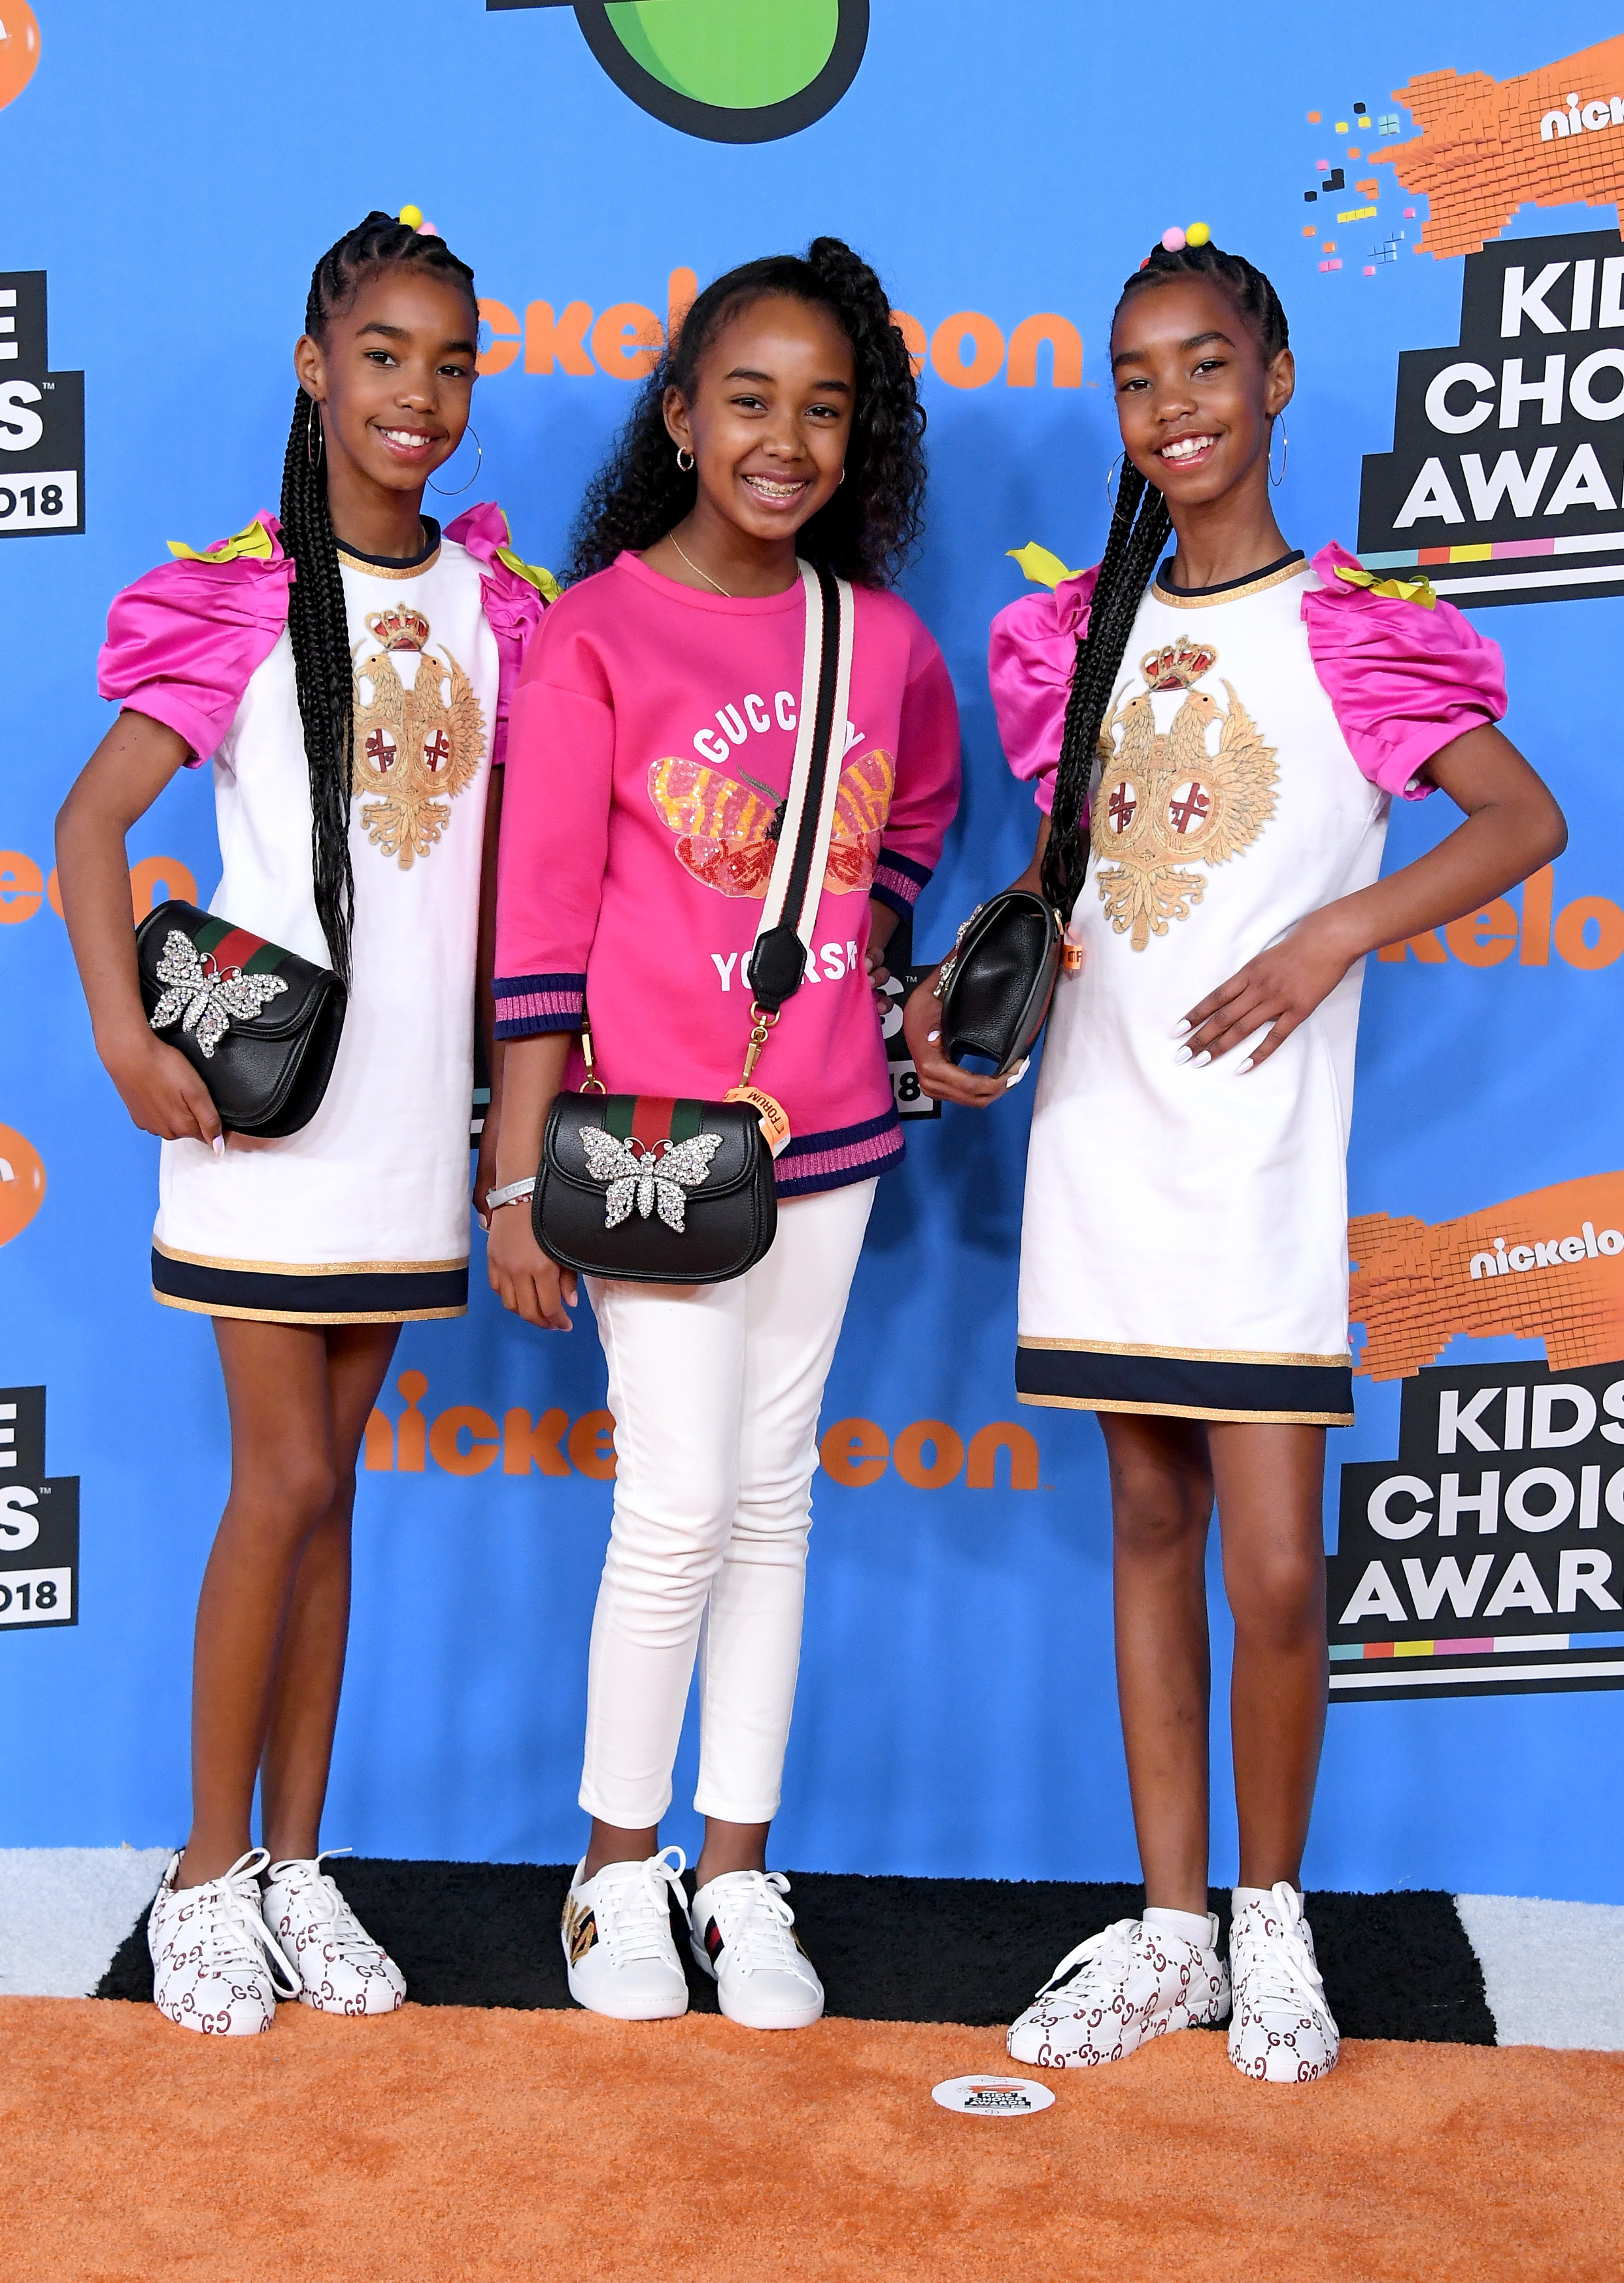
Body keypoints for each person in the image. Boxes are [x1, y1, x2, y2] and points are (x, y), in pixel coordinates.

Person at [905, 235, 1565, 2083]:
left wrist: (1332, 933)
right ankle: (1173, 1921)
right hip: (1104, 1129)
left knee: (1273, 1567)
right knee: (1144, 1519)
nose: (1170, 404)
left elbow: (1521, 818)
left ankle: (1275, 1920)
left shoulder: (1354, 625)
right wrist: (976, 1012)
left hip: (1259, 1144)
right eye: (1134, 375)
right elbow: (1065, 883)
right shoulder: (1074, 637)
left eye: (1204, 364)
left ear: (1273, 380)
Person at [55, 211, 550, 2036]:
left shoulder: (499, 607)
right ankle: (202, 1874)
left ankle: (297, 1861)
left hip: (415, 1128)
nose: (417, 394)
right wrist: (122, 1031)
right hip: (268, 1125)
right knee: (281, 1480)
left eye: (450, 360)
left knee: (331, 1492)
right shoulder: (240, 598)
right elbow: (93, 822)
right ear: (312, 367)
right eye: (383, 354)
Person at [487, 237, 959, 2030]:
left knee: (771, 1499)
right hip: (649, 1144)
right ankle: (614, 1871)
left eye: (823, 409)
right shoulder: (598, 630)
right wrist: (519, 1171)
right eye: (747, 400)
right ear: (680, 416)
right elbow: (537, 925)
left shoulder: (880, 638)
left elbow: (916, 805)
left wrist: (871, 941)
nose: (783, 440)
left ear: (862, 440)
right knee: (675, 1498)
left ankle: (736, 1865)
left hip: (827, 1130)